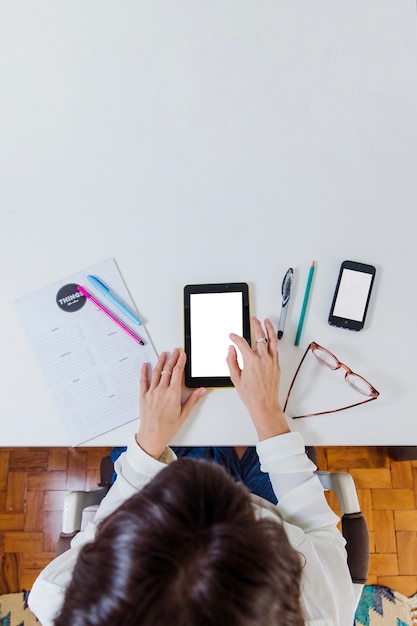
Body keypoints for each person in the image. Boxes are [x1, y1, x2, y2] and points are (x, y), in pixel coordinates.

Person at [28, 317, 356, 626]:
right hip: (280, 519)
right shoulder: (324, 613)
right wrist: (267, 410)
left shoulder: (59, 598)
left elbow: (102, 529)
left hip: (155, 493)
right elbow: (315, 525)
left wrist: (148, 444)